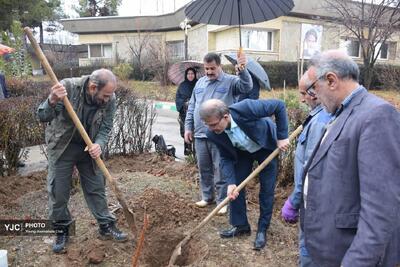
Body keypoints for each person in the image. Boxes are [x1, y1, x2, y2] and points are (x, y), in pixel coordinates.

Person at [301, 50, 400, 266]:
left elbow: (380, 211)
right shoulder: (344, 112)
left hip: (349, 255)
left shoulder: (376, 115)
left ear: (331, 80)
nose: (314, 95)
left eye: (314, 88)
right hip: (329, 250)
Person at [37, 69, 128, 253]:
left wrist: (99, 143)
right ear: (93, 87)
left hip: (88, 146)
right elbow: (42, 116)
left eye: (110, 95)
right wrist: (53, 100)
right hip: (63, 145)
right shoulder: (68, 88)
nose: (108, 99)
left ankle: (106, 225)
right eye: (105, 95)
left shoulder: (110, 97)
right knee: (58, 190)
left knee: (96, 186)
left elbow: (106, 126)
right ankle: (63, 229)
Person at [200, 98, 289, 250]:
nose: (211, 128)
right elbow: (225, 157)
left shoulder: (246, 108)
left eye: (214, 124)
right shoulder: (213, 133)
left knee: (266, 190)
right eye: (208, 125)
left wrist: (282, 137)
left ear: (226, 117)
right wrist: (231, 182)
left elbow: (279, 106)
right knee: (235, 189)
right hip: (242, 152)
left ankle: (262, 229)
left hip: (265, 146)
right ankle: (241, 226)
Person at [184, 52, 253, 215]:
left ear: (219, 66)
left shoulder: (230, 81)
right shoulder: (200, 83)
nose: (209, 72)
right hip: (201, 134)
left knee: (221, 168)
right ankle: (207, 197)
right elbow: (192, 107)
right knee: (204, 168)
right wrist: (188, 127)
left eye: (212, 68)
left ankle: (222, 201)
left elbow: (247, 87)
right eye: (206, 68)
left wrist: (242, 71)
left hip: (220, 134)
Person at [280, 70, 331, 266]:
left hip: (312, 203)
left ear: (315, 90)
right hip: (315, 201)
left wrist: (294, 200)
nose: (301, 100)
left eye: (303, 94)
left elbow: (310, 168)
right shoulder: (318, 116)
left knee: (309, 249)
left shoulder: (319, 122)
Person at [175, 67, 198, 155]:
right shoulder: (182, 85)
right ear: (186, 75)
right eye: (188, 74)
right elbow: (178, 98)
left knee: (196, 133)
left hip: (197, 113)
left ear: (195, 74)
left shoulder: (199, 84)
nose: (190, 75)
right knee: (186, 131)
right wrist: (185, 103)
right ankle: (188, 152)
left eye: (192, 73)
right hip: (185, 113)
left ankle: (196, 153)